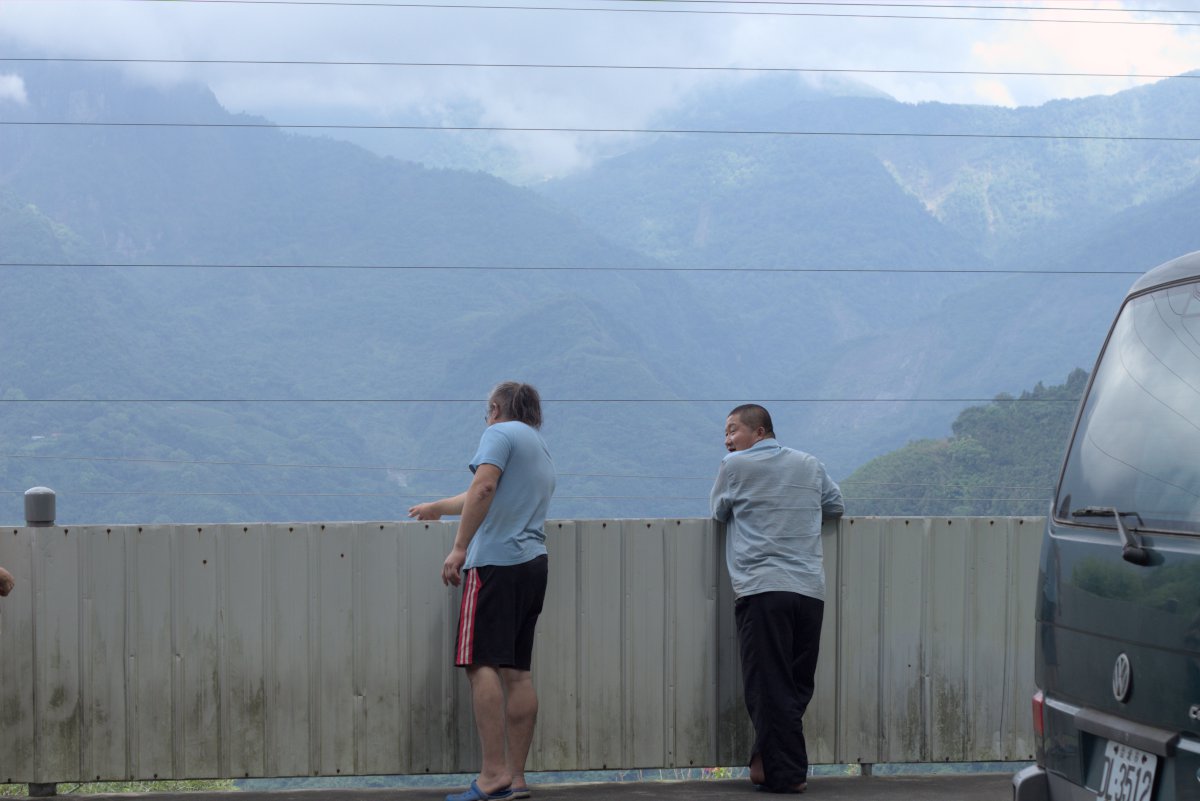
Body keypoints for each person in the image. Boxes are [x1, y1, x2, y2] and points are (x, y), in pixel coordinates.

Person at [409, 381, 555, 801]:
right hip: (533, 563)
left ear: (494, 408)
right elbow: (485, 492)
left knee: (479, 663)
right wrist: (438, 507)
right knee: (518, 672)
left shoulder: (498, 433)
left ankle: (492, 775)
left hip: (495, 562)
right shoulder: (537, 444)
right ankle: (516, 778)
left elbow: (485, 487)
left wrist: (458, 548)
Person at [710, 404, 844, 794]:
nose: (727, 440)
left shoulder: (733, 468)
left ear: (760, 431)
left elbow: (718, 512)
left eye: (733, 430)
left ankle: (787, 776)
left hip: (762, 589)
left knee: (767, 685)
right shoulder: (810, 464)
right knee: (796, 684)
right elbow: (836, 506)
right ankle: (765, 762)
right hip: (809, 591)